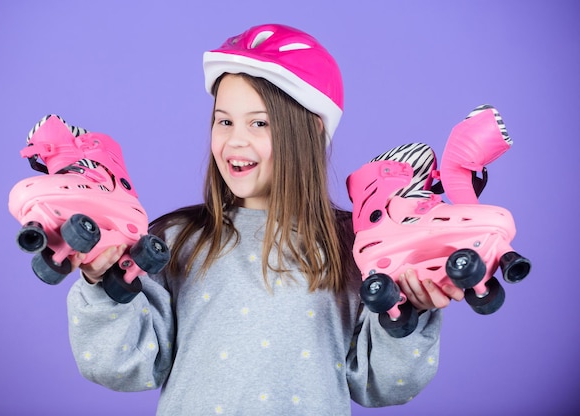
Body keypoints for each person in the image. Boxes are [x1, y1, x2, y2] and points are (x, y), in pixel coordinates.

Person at [67, 23, 463, 415]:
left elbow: (381, 384)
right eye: (224, 121)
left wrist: (407, 312)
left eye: (259, 123)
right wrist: (103, 284)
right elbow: (120, 366)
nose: (235, 140)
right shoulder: (174, 241)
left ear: (311, 130)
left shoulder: (360, 246)